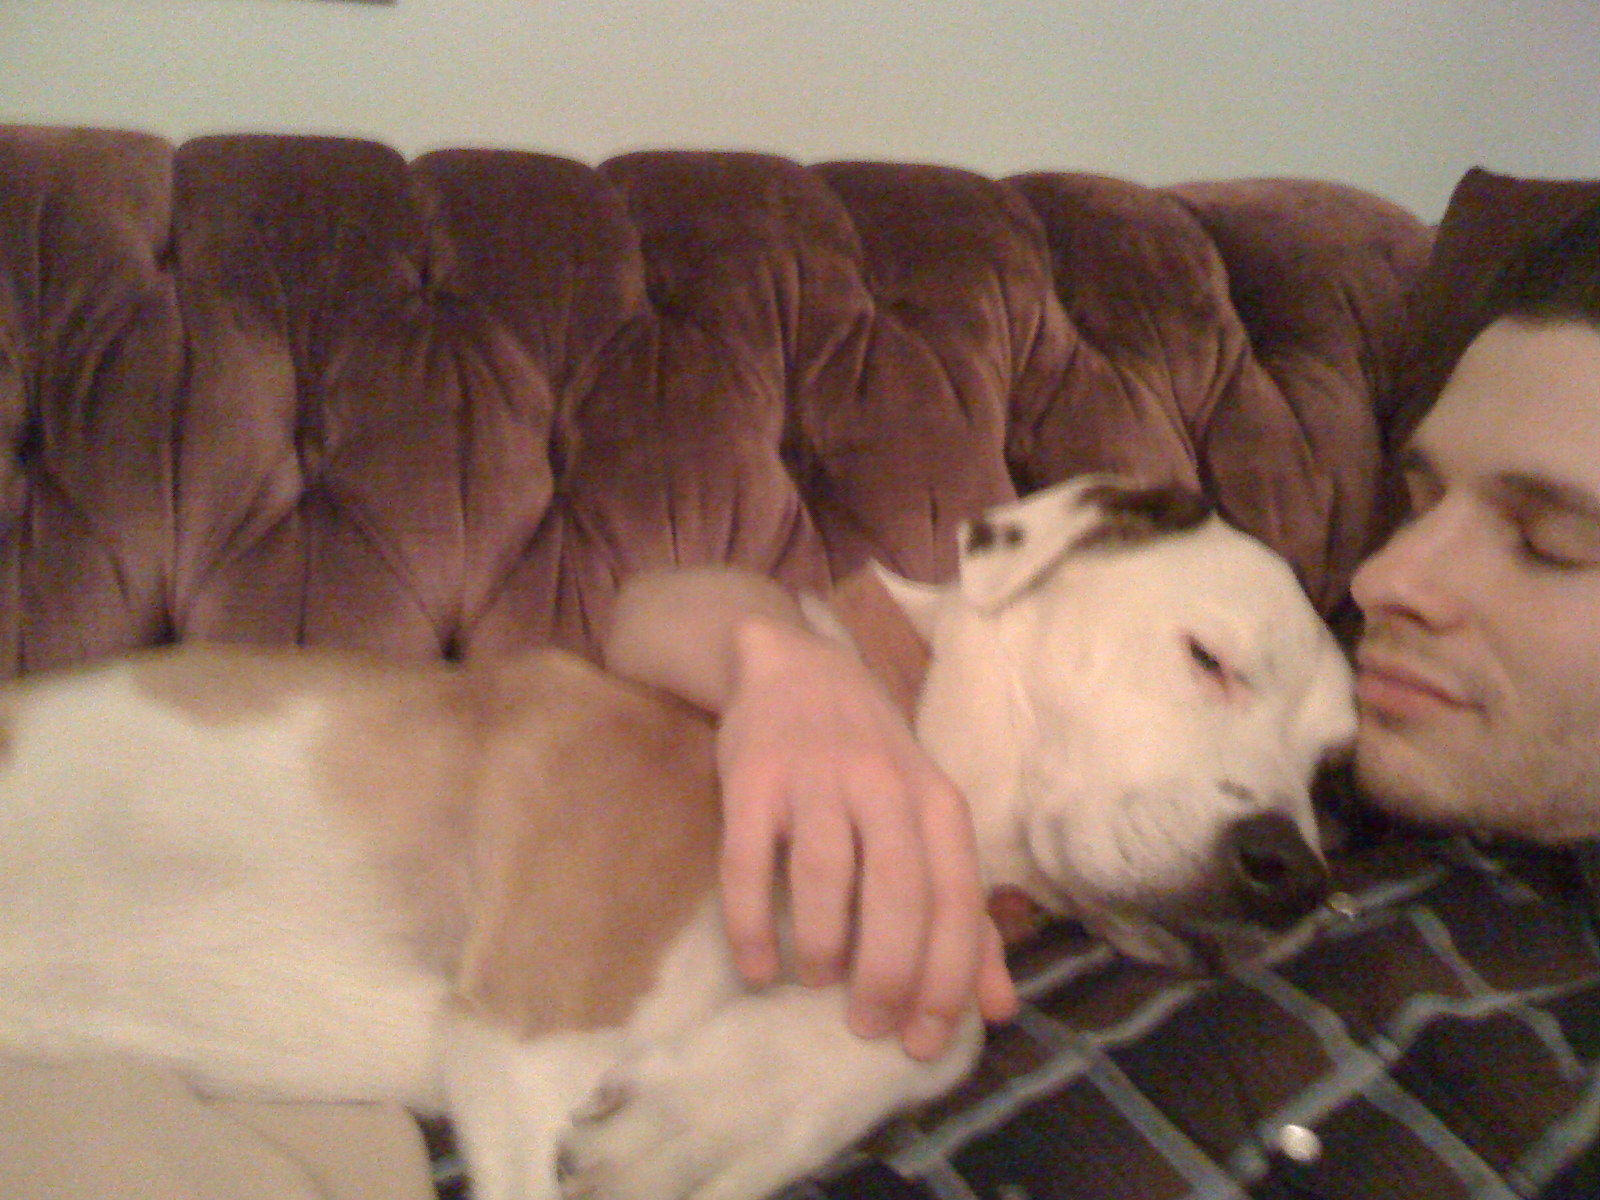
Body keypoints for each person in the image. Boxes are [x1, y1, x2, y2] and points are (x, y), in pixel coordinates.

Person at [602, 199, 1600, 1196]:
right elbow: (630, 634)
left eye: (1550, 540)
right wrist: (776, 658)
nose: (1385, 577)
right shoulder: (1392, 755)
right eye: (1416, 501)